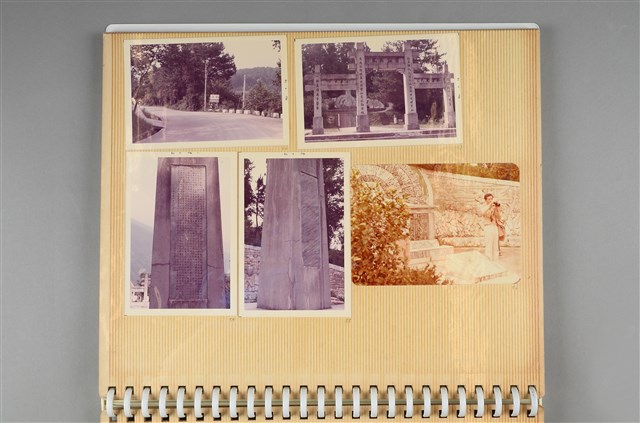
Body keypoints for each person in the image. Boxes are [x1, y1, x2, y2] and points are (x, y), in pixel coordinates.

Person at [477, 193, 501, 261]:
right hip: (488, 227)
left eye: (491, 199)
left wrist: (496, 209)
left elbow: (499, 217)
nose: (491, 200)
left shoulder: (494, 207)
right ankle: (489, 262)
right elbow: (482, 212)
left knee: (495, 247)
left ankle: (496, 262)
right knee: (489, 246)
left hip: (494, 227)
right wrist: (490, 205)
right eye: (489, 199)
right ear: (485, 200)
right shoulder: (484, 207)